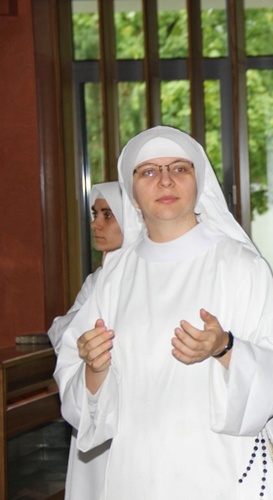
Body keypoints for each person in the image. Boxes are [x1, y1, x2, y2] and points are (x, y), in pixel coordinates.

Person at [54, 126, 273, 499]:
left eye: (180, 169)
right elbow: (81, 397)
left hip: (220, 468)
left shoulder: (238, 264)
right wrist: (95, 368)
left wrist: (225, 348)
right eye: (150, 172)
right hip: (137, 471)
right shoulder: (114, 278)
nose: (166, 180)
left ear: (198, 183)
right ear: (133, 194)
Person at [47, 181, 123, 499]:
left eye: (108, 215)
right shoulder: (96, 280)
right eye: (95, 214)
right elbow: (62, 332)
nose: (95, 223)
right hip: (94, 399)